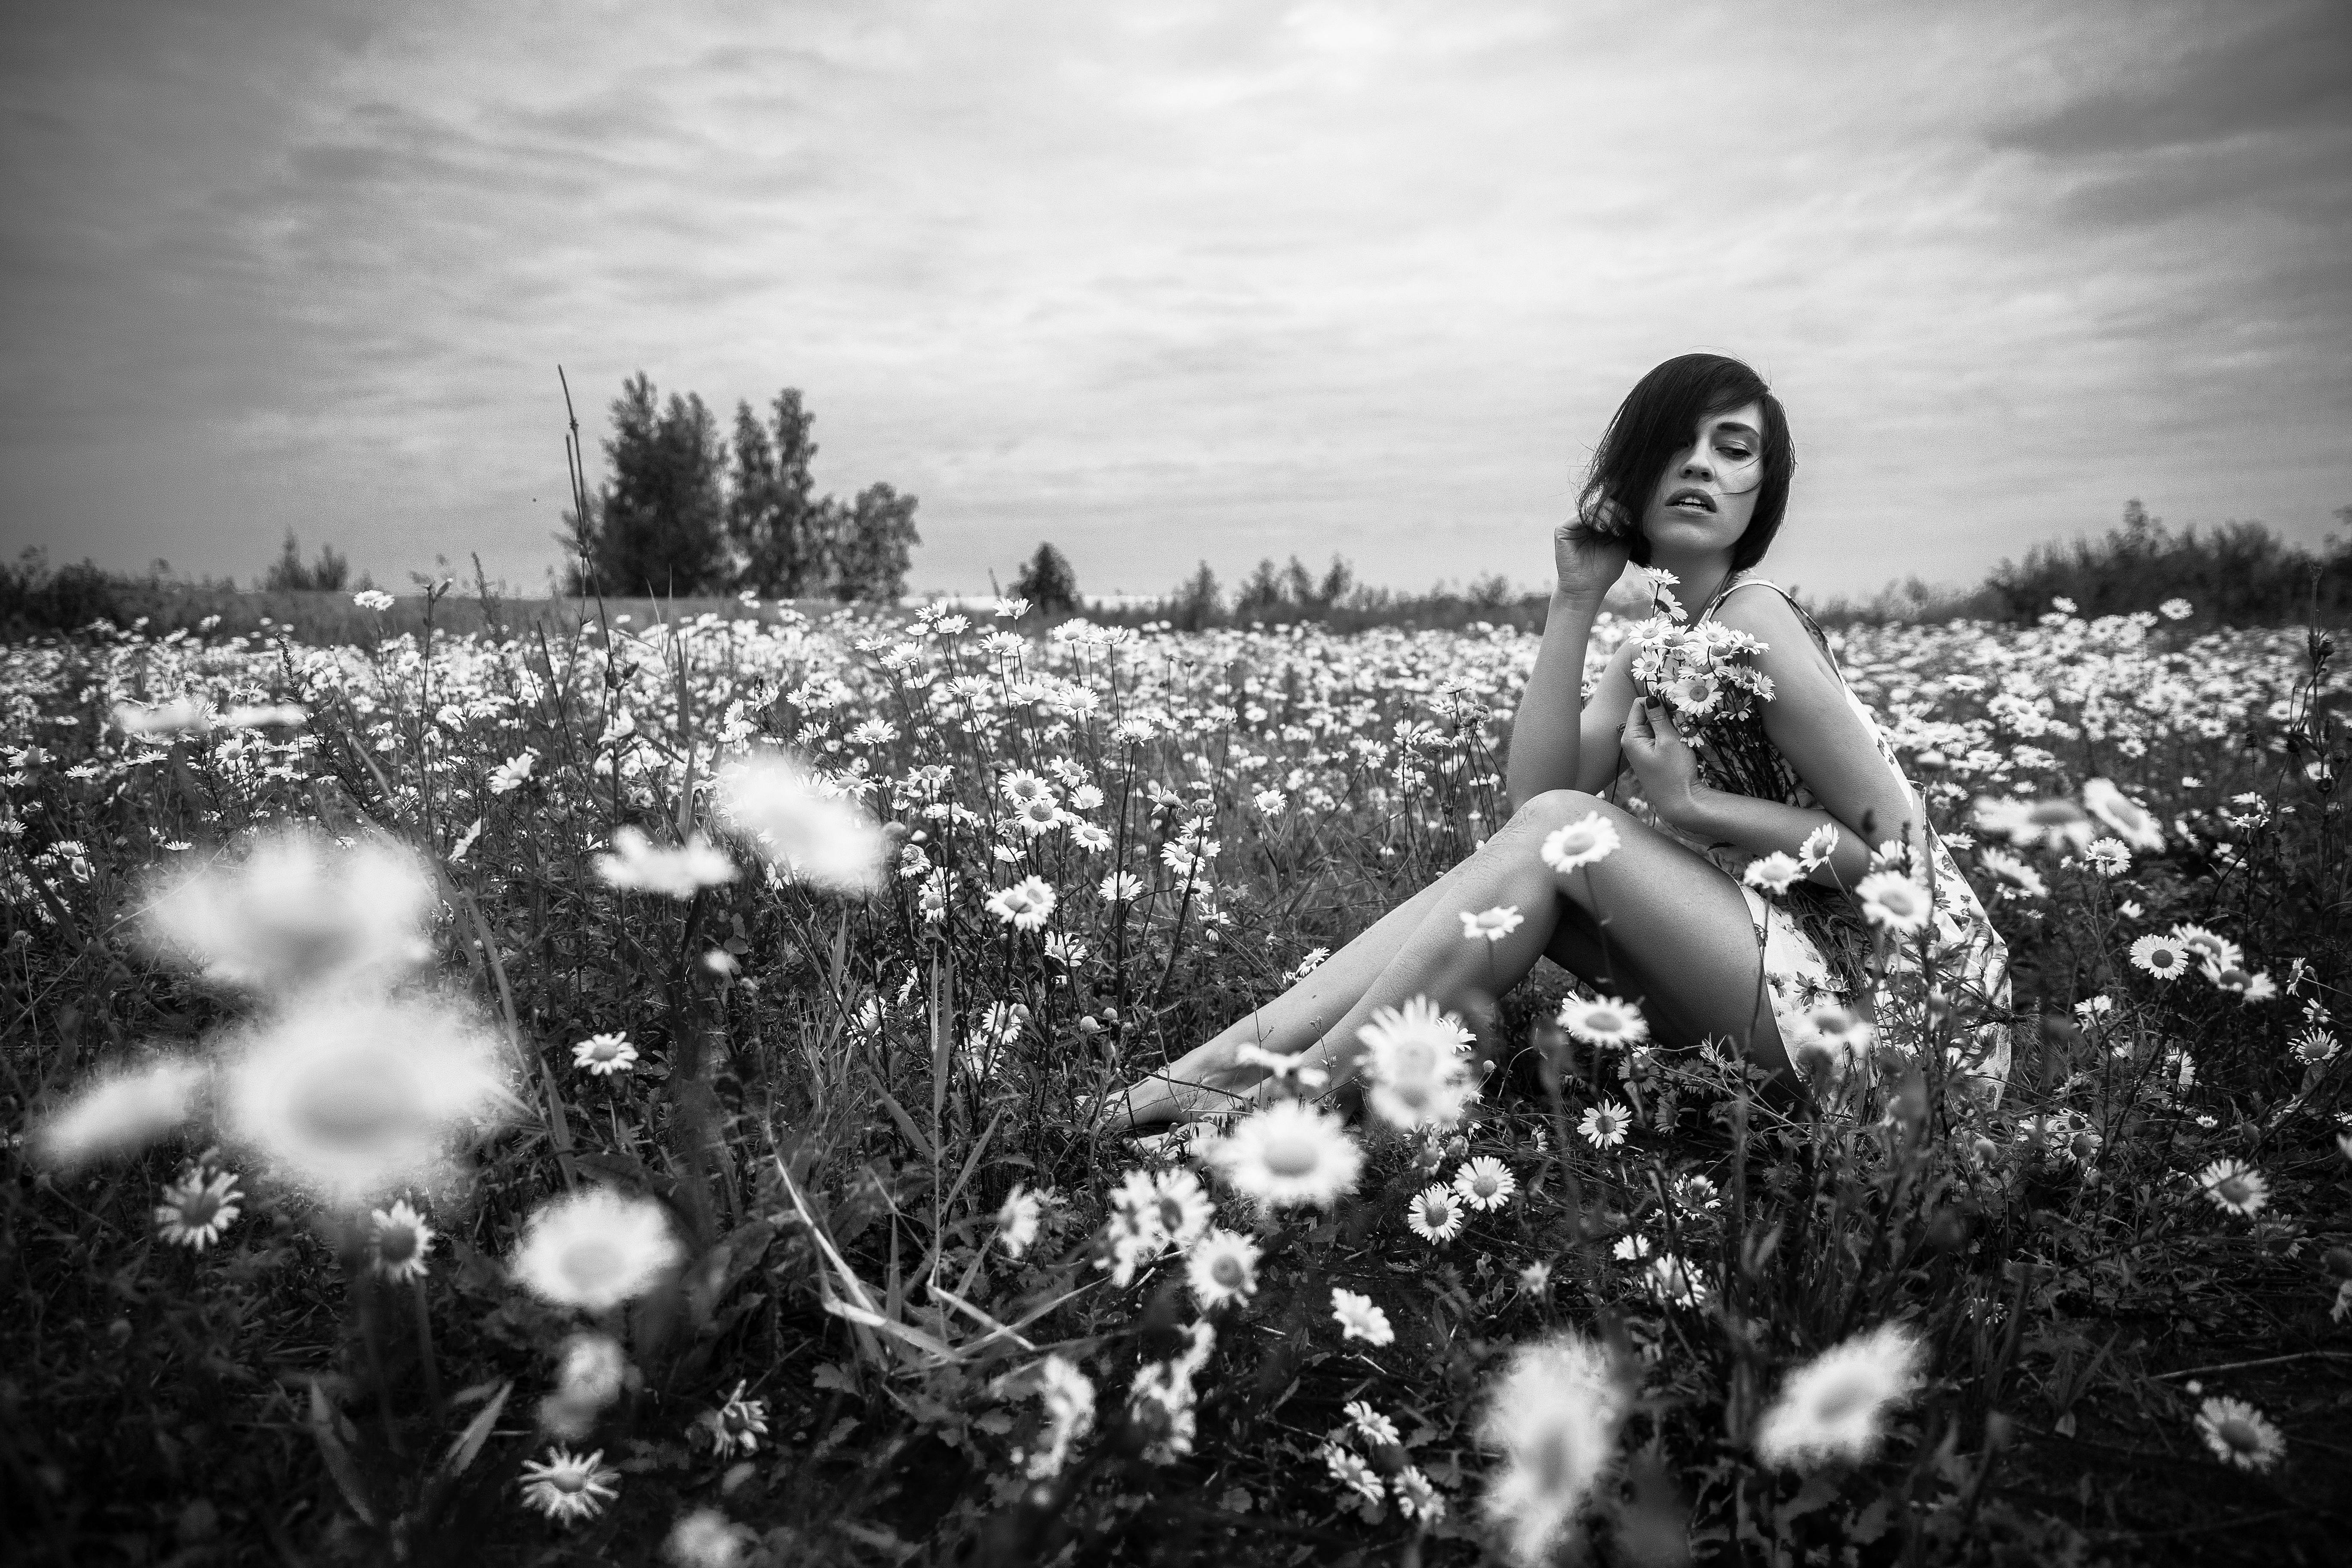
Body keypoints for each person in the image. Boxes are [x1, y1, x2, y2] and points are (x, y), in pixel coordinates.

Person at [1104, 352, 2011, 1132]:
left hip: (1908, 1027)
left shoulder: (1756, 619)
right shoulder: (1657, 650)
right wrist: (1574, 597)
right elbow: (1532, 808)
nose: (1699, 464)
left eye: (1733, 449)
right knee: (1534, 854)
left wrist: (1694, 805)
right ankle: (1211, 1072)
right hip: (1785, 982)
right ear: (1634, 473)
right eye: (1674, 444)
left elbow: (1902, 863)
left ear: (1761, 492)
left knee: (1559, 836)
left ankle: (1273, 1107)